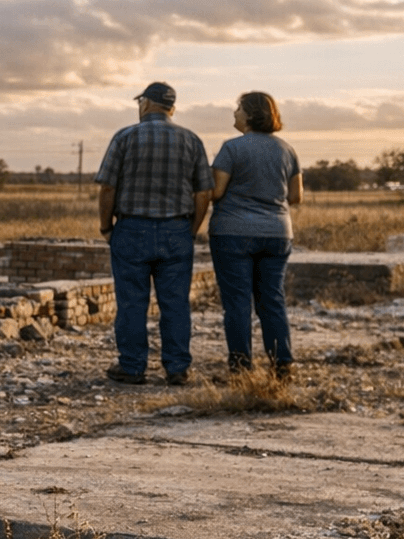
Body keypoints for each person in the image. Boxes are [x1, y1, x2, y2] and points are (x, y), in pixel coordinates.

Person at [95, 82, 214, 386]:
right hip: (176, 229)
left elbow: (107, 187)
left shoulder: (125, 137)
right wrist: (191, 229)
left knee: (132, 301)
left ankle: (132, 366)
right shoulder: (191, 140)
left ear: (146, 104)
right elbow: (204, 192)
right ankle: (177, 368)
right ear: (171, 108)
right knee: (175, 303)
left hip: (131, 228)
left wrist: (106, 226)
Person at [208, 91, 303, 377]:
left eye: (238, 108)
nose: (234, 113)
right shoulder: (287, 150)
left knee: (237, 302)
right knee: (272, 299)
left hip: (233, 233)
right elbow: (296, 196)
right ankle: (282, 365)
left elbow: (216, 191)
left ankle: (240, 368)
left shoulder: (231, 148)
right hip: (277, 233)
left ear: (250, 114)